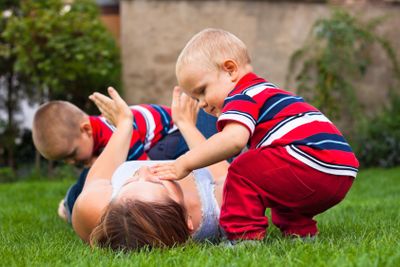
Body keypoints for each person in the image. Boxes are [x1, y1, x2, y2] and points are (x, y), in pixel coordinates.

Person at [150, 28, 360, 241]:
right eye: (196, 98)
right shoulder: (264, 91)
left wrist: (184, 163)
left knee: (242, 170)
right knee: (271, 176)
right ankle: (300, 232)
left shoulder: (243, 95)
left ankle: (242, 236)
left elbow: (233, 140)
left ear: (230, 70)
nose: (202, 103)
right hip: (341, 170)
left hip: (310, 158)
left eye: (202, 91)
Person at [71, 87, 229, 250]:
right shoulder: (220, 205)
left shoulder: (92, 208)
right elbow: (225, 173)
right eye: (157, 183)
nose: (144, 171)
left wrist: (125, 124)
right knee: (213, 106)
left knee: (76, 193)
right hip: (184, 149)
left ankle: (65, 204)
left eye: (128, 182)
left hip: (122, 159)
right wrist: (186, 124)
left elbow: (98, 177)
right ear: (188, 220)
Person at [32, 99, 217, 222]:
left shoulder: (114, 133)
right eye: (65, 160)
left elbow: (140, 165)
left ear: (86, 130)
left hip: (172, 135)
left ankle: (69, 202)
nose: (71, 162)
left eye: (72, 154)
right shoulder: (101, 136)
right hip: (157, 142)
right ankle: (70, 202)